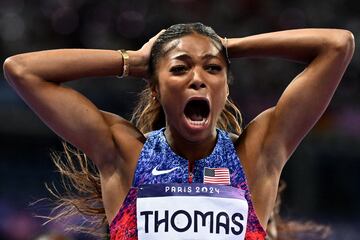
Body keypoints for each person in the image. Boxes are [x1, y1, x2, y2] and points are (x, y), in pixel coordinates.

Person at [3, 23, 354, 240]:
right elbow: (22, 70)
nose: (198, 78)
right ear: (155, 88)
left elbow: (337, 45)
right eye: (180, 68)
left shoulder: (255, 155)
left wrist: (227, 45)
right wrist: (133, 61)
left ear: (226, 88)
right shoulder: (127, 154)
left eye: (213, 68)